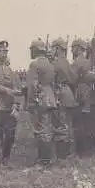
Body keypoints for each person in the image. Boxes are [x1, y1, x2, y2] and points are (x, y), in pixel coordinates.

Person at [26, 39, 57, 168]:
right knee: (46, 129)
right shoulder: (49, 64)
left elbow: (32, 85)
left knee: (40, 130)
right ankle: (46, 160)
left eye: (31, 49)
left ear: (36, 50)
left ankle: (43, 161)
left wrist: (31, 102)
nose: (30, 51)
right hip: (49, 97)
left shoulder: (35, 64)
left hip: (40, 99)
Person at [50, 37, 77, 162]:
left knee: (60, 125)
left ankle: (61, 155)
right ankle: (67, 152)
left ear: (57, 49)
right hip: (68, 94)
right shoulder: (66, 62)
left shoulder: (55, 63)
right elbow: (73, 78)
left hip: (59, 94)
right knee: (67, 124)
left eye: (52, 47)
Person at [70, 38, 95, 157]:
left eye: (73, 47)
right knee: (89, 124)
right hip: (90, 94)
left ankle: (80, 151)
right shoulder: (89, 61)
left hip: (80, 93)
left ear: (78, 48)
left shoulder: (77, 62)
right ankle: (89, 149)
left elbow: (72, 78)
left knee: (78, 123)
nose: (71, 50)